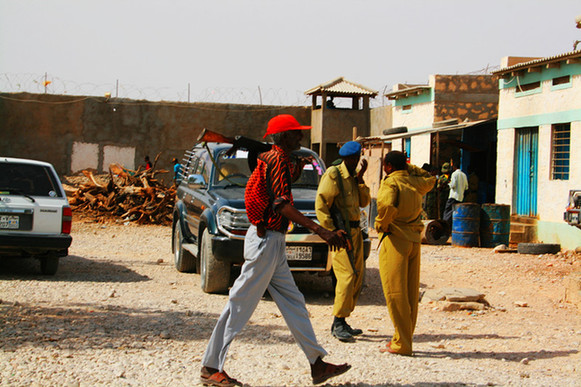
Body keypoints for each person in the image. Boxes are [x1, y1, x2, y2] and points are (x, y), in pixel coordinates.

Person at [200, 114, 351, 386]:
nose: (301, 137)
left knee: (295, 303)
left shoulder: (274, 157)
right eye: (295, 133)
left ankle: (317, 364)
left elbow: (276, 186)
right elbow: (281, 203)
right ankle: (211, 367)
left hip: (273, 240)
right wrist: (322, 231)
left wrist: (297, 166)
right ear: (282, 137)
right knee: (239, 303)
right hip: (265, 240)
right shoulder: (277, 159)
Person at [374, 151, 436, 356]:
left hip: (396, 237)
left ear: (389, 166)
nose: (384, 167)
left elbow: (386, 206)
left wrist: (381, 225)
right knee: (410, 292)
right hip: (414, 239)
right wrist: (408, 167)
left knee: (395, 292)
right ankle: (404, 338)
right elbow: (430, 179)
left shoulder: (391, 183)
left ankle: (402, 343)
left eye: (385, 164)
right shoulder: (415, 182)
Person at [315, 141, 371, 342]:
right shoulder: (333, 174)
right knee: (346, 277)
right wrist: (330, 231)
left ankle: (343, 319)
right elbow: (321, 205)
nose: (355, 162)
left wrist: (361, 178)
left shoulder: (353, 177)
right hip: (341, 235)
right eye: (352, 159)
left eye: (357, 159)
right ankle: (338, 322)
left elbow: (364, 202)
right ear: (346, 158)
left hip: (356, 232)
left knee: (356, 277)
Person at [443, 157, 469, 227]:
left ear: (454, 167)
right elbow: (466, 187)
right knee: (456, 213)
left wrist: (449, 183)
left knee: (447, 212)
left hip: (453, 196)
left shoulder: (454, 174)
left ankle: (445, 226)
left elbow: (453, 185)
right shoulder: (464, 175)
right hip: (460, 197)